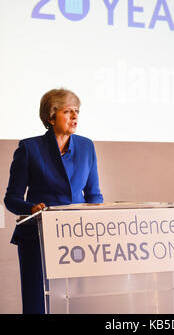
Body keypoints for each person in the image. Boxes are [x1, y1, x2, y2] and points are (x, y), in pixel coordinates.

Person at [4, 88, 104, 314]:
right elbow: (11, 199)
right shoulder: (29, 149)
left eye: (77, 111)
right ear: (51, 116)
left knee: (73, 303)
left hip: (77, 237)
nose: (75, 117)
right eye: (68, 111)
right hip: (37, 237)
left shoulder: (87, 146)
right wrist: (31, 207)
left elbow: (94, 194)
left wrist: (99, 214)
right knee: (37, 304)